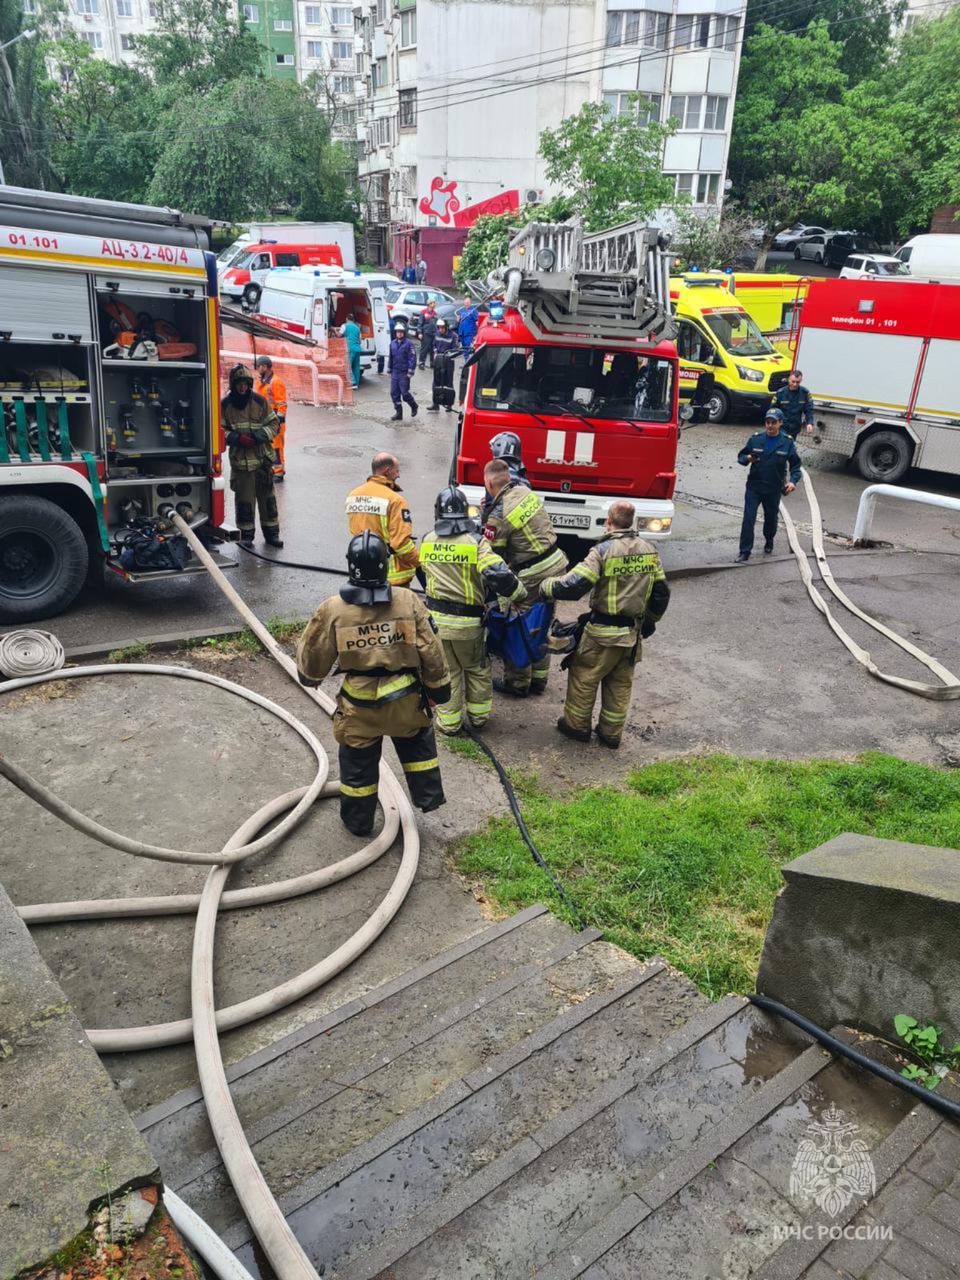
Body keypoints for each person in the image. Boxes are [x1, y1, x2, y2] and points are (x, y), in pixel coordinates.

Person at [296, 532, 449, 836]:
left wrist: (310, 677)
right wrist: (438, 689)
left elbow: (313, 662)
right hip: (407, 703)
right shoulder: (407, 601)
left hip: (359, 710)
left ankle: (358, 822)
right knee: (417, 743)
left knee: (358, 769)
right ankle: (428, 797)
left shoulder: (333, 609)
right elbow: (430, 650)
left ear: (350, 565)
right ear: (386, 564)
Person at [540, 501, 670, 748]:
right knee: (619, 683)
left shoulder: (603, 551)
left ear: (609, 521)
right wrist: (650, 621)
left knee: (584, 676)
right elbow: (662, 592)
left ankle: (576, 727)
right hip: (631, 635)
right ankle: (611, 733)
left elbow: (574, 585)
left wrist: (546, 586)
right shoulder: (649, 551)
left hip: (601, 633)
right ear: (631, 522)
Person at [421, 486, 526, 734]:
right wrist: (519, 594)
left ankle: (449, 723)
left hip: (436, 623)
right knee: (477, 670)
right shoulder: (476, 543)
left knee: (448, 672)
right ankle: (479, 719)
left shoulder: (426, 540)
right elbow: (498, 575)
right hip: (469, 626)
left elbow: (421, 573)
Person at [482, 458, 568, 696]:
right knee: (543, 621)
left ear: (489, 483)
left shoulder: (498, 514)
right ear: (508, 477)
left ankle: (518, 683)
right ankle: (539, 680)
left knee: (520, 627)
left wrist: (486, 517)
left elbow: (494, 557)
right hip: (556, 565)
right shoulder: (525, 492)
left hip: (532, 574)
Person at [222, 363, 283, 547]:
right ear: (233, 384)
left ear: (250, 384)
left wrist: (258, 437)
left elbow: (274, 424)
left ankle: (272, 535)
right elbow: (218, 430)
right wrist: (235, 438)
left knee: (268, 501)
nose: (243, 387)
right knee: (244, 502)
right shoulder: (225, 405)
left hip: (262, 461)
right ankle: (246, 537)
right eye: (239, 383)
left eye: (246, 383)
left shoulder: (259, 402)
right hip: (241, 464)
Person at [736, 407, 802, 562]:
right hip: (754, 486)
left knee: (771, 519)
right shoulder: (756, 439)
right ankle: (745, 551)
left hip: (773, 488)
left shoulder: (787, 443)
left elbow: (795, 465)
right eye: (767, 422)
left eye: (773, 422)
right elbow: (741, 456)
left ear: (780, 423)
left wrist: (793, 481)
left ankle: (769, 539)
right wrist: (748, 459)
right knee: (748, 518)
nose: (770, 426)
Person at [345, 452, 419, 586]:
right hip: (391, 579)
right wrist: (422, 562)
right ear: (387, 471)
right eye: (397, 471)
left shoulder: (353, 495)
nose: (398, 475)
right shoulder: (396, 501)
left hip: (361, 572)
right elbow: (401, 544)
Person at [254, 356, 288, 481]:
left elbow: (281, 403)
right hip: (264, 418)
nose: (257, 369)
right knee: (266, 445)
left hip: (274, 419)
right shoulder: (259, 381)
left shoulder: (276, 382)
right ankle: (270, 469)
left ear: (265, 367)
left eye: (259, 366)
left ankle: (278, 472)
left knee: (276, 446)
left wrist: (279, 420)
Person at [425, 318, 460, 411]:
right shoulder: (436, 334)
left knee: (448, 383)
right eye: (439, 328)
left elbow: (456, 349)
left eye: (442, 328)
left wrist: (447, 355)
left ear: (446, 327)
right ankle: (435, 404)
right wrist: (436, 353)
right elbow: (434, 345)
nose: (440, 330)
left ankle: (449, 404)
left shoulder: (453, 336)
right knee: (436, 382)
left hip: (448, 362)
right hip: (438, 360)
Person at [388, 321, 418, 421]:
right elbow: (391, 358)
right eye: (397, 332)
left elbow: (412, 358)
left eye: (401, 332)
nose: (399, 333)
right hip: (395, 372)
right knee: (394, 393)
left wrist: (410, 371)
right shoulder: (392, 343)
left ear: (404, 333)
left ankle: (414, 405)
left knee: (404, 393)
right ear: (395, 333)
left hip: (404, 373)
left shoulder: (409, 344)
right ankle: (399, 413)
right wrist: (389, 369)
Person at [774, 368, 814, 440]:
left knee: (790, 446)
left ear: (801, 381)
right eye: (793, 381)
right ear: (789, 380)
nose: (795, 384)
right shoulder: (781, 393)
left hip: (795, 427)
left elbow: (809, 410)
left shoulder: (804, 393)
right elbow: (772, 410)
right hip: (781, 427)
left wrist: (809, 423)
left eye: (797, 382)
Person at [341, 312, 363, 389]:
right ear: (353, 320)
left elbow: (339, 335)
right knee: (356, 367)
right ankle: (356, 384)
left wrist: (333, 330)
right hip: (357, 349)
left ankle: (353, 383)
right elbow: (360, 341)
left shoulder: (344, 326)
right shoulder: (357, 328)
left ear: (346, 319)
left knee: (348, 366)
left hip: (350, 349)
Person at [418, 301, 438, 370]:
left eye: (434, 303)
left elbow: (436, 324)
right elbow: (420, 323)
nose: (434, 304)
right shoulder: (423, 312)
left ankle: (432, 363)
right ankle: (421, 363)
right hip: (425, 333)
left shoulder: (435, 314)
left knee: (433, 349)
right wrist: (420, 332)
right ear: (429, 304)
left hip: (433, 334)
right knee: (424, 349)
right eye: (433, 303)